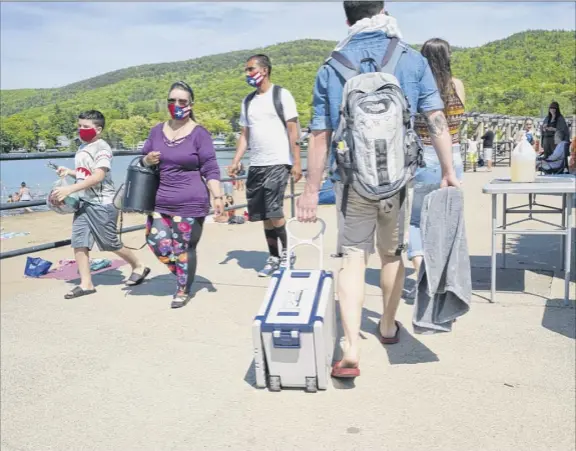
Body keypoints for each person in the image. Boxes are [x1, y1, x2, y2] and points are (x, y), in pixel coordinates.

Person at [296, 1, 459, 378]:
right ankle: (387, 326)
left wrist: (310, 188)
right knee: (391, 255)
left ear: (347, 17)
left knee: (353, 257)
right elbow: (435, 118)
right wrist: (449, 170)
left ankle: (350, 347)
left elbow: (320, 134)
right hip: (398, 182)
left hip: (352, 182)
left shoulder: (331, 66)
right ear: (383, 9)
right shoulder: (410, 59)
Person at [141, 81, 223, 308]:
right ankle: (183, 273)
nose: (176, 105)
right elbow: (142, 158)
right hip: (160, 200)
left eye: (182, 101)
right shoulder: (156, 131)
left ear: (190, 104)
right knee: (157, 241)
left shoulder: (200, 134)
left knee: (184, 248)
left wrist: (217, 196)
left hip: (191, 201)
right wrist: (147, 160)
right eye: (172, 101)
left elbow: (210, 167)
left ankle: (183, 288)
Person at [54, 110, 150, 299]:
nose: (81, 129)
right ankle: (86, 283)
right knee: (79, 242)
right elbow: (85, 173)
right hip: (84, 203)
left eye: (86, 127)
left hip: (103, 204)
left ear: (98, 129)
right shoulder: (82, 147)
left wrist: (70, 190)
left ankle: (139, 265)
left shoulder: (102, 149)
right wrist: (70, 172)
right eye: (79, 126)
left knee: (109, 243)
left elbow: (98, 176)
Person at [228, 54, 302, 277]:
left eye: (250, 69)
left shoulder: (282, 95)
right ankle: (273, 257)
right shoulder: (248, 101)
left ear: (265, 70)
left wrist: (297, 162)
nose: (247, 74)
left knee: (275, 211)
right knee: (262, 215)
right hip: (257, 165)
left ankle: (287, 253)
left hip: (278, 161)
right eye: (246, 70)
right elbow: (244, 135)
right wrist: (236, 160)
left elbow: (293, 130)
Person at [410, 38, 466, 281]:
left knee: (415, 222)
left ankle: (421, 272)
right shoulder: (457, 85)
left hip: (423, 158)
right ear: (448, 57)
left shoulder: (414, 87)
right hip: (452, 156)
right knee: (446, 220)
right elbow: (458, 121)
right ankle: (442, 276)